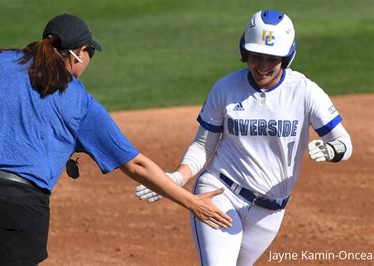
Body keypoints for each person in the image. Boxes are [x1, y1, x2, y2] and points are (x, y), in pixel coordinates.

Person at [0, 14, 232, 266]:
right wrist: (191, 201)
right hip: (22, 204)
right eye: (90, 54)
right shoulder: (80, 102)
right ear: (78, 54)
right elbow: (137, 164)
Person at [135, 10, 353, 265]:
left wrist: (331, 151)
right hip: (220, 193)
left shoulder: (305, 92)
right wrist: (176, 177)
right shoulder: (226, 88)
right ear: (244, 51)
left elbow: (345, 144)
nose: (262, 65)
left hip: (270, 212)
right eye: (256, 55)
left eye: (272, 58)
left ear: (286, 57)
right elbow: (204, 144)